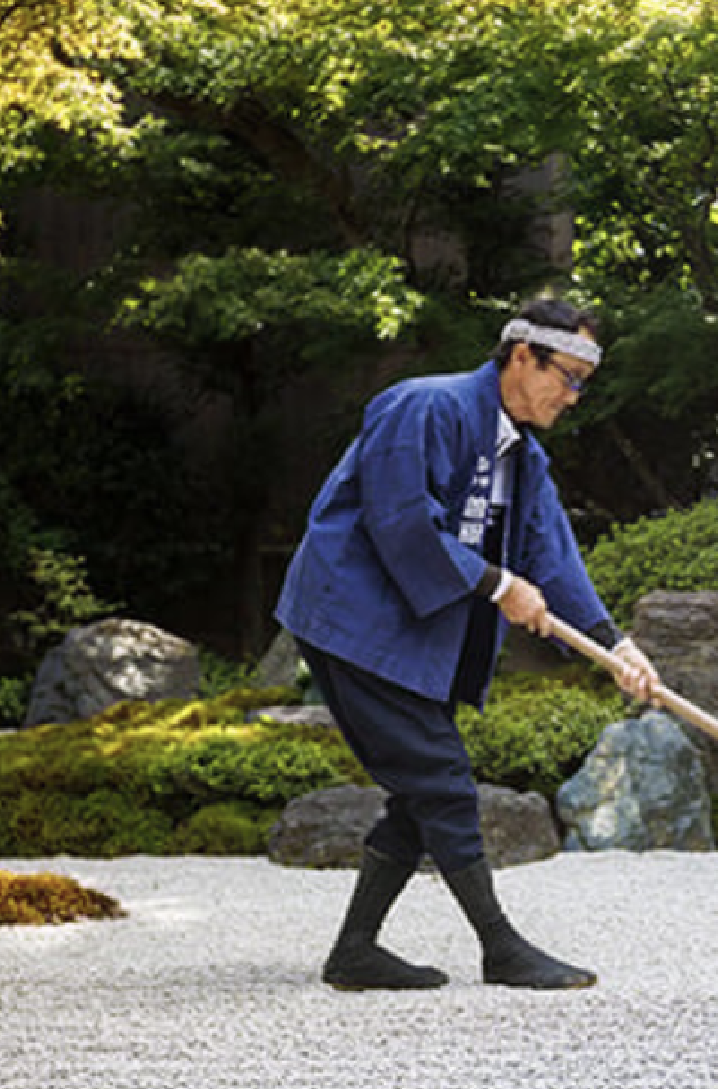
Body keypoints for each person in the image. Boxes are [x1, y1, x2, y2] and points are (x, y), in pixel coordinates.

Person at [275, 296, 658, 992]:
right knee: (443, 777)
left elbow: (553, 556)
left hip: (408, 632)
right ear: (520, 356)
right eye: (565, 377)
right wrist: (497, 584)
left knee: (421, 789)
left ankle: (356, 951)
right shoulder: (424, 406)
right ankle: (500, 946)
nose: (573, 396)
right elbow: (401, 523)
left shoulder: (522, 457)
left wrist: (614, 644)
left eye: (582, 383)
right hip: (354, 618)